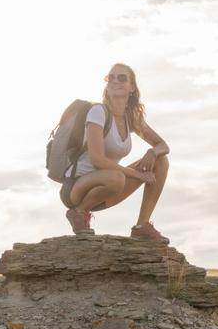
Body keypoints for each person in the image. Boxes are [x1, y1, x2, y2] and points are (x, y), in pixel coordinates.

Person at [60, 63, 170, 243]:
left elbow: (164, 145)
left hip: (106, 189)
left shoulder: (131, 118)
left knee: (161, 161)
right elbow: (97, 160)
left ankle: (141, 226)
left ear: (132, 87)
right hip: (75, 187)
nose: (114, 81)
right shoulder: (98, 112)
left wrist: (153, 151)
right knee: (116, 177)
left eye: (121, 78)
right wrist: (137, 175)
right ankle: (78, 213)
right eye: (110, 77)